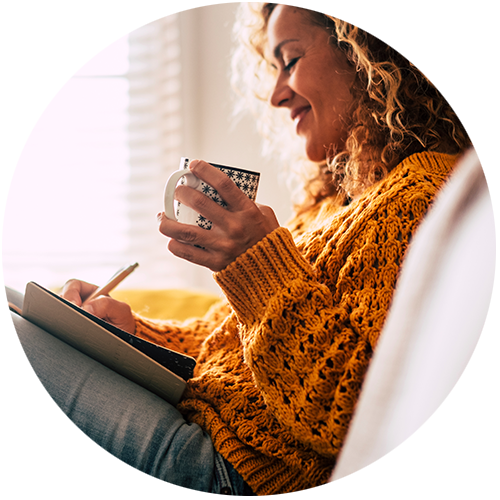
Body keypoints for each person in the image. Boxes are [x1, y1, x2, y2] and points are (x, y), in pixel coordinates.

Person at [3, 2, 495, 496]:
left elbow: (360, 418)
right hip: (208, 431)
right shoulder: (335, 202)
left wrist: (256, 268)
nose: (279, 94)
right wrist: (135, 335)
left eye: (291, 59)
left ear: (369, 53)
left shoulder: (424, 201)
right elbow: (233, 349)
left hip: (234, 473)